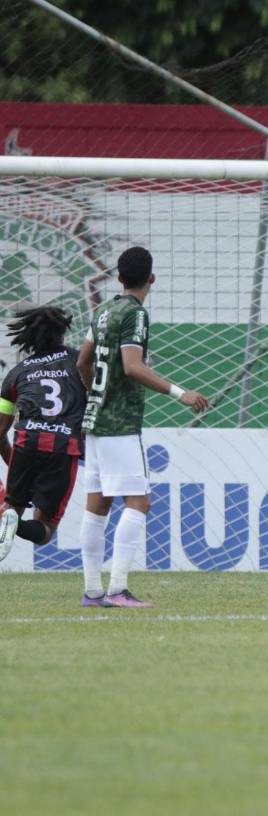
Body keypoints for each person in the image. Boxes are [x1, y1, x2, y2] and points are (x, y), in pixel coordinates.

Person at [77, 247, 210, 608]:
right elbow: (132, 366)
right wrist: (180, 393)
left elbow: (82, 361)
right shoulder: (135, 314)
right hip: (120, 423)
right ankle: (117, 589)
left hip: (95, 420)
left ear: (119, 278)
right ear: (152, 279)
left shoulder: (103, 311)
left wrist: (95, 394)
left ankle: (92, 592)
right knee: (139, 501)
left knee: (97, 505)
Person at [0, 307, 87, 565]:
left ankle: (9, 519)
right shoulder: (79, 362)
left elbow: (0, 431)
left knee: (11, 509)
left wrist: (14, 462)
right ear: (62, 333)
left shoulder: (16, 373)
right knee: (45, 530)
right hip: (63, 447)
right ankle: (15, 525)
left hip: (26, 443)